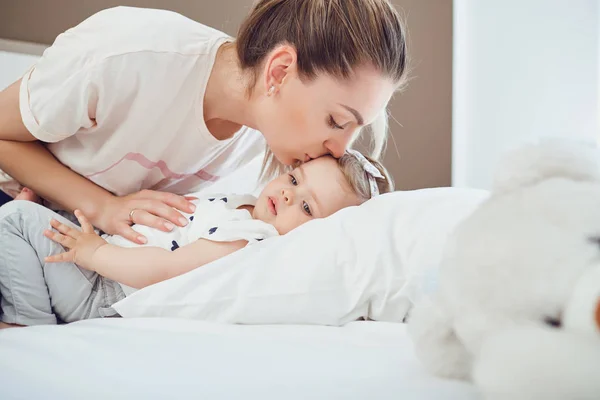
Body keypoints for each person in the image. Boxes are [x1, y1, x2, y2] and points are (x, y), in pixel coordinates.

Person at [0, 1, 408, 245]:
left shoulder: (264, 142)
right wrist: (102, 206)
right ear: (280, 71)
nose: (340, 149)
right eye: (337, 120)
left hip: (82, 246)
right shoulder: (130, 57)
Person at [0, 151, 393, 328]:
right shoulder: (247, 206)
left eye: (307, 208)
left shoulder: (249, 239)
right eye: (294, 179)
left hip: (106, 289)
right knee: (44, 212)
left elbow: (165, 271)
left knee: (15, 221)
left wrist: (96, 252)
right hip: (108, 256)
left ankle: (25, 325)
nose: (288, 194)